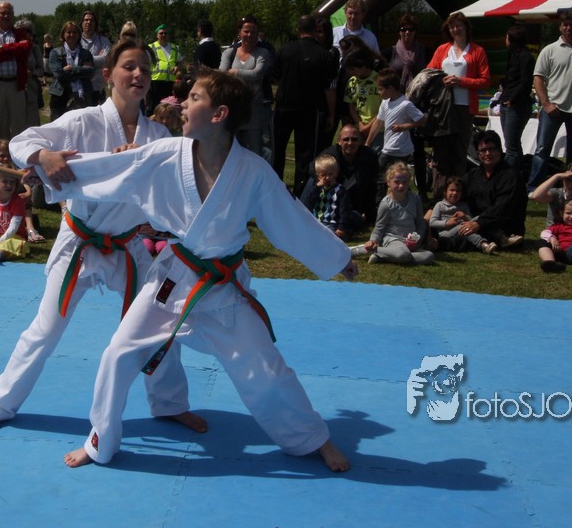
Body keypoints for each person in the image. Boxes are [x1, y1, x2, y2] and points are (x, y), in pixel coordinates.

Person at [43, 69, 358, 471]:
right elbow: (115, 169)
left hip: (222, 288)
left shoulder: (253, 171)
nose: (183, 105)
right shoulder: (167, 153)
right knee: (118, 353)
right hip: (172, 279)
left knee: (266, 371)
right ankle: (100, 441)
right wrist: (51, 168)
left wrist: (336, 257)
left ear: (218, 114)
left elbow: (291, 220)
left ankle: (313, 438)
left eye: (193, 98)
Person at [0, 37, 192, 436]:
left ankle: (170, 402)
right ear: (107, 75)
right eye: (129, 66)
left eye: (144, 68)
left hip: (127, 246)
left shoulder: (158, 135)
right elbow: (23, 142)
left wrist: (136, 163)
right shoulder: (81, 122)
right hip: (80, 243)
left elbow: (173, 186)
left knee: (159, 323)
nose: (138, 74)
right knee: (46, 329)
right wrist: (43, 157)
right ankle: (0, 401)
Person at [526, 11, 572, 191]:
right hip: (553, 109)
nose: (568, 28)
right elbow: (538, 78)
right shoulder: (550, 50)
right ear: (560, 27)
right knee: (542, 149)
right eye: (565, 24)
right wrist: (546, 104)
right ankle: (534, 187)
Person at [425, 11, 489, 198]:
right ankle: (439, 194)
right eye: (452, 26)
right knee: (441, 151)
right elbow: (429, 73)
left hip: (464, 108)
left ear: (466, 28)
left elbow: (485, 80)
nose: (455, 29)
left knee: (459, 152)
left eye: (459, 25)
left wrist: (461, 82)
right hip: (443, 108)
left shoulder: (477, 51)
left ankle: (457, 194)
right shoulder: (442, 50)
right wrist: (442, 80)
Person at [382, 14, 431, 192]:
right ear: (399, 32)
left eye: (411, 29)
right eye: (403, 29)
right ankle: (391, 188)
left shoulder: (425, 52)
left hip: (417, 105)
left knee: (418, 150)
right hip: (396, 105)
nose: (407, 32)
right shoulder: (390, 52)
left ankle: (422, 190)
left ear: (416, 32)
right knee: (394, 149)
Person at [0, 0, 32, 161]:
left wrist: (2, 48)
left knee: (19, 129)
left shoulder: (20, 33)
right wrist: (14, 49)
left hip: (16, 86)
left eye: (9, 13)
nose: (6, 16)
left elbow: (25, 49)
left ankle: (19, 166)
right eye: (3, 13)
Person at [367, 68, 425, 200]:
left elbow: (421, 119)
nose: (379, 92)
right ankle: (387, 201)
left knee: (389, 177)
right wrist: (368, 142)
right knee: (387, 177)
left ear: (391, 88)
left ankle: (391, 201)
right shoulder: (385, 103)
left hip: (399, 149)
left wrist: (405, 126)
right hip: (389, 146)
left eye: (381, 89)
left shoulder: (405, 104)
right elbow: (378, 122)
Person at [462, 131, 526, 249]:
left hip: (504, 229)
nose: (488, 153)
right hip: (475, 223)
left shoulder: (511, 176)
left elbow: (503, 208)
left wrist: (478, 223)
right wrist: (432, 210)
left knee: (460, 237)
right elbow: (455, 191)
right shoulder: (473, 174)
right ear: (478, 153)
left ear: (500, 150)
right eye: (483, 150)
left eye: (492, 149)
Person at [219, 15, 272, 158]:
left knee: (256, 152)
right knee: (231, 152)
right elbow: (222, 75)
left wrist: (234, 72)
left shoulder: (263, 53)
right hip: (233, 110)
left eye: (253, 32)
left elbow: (257, 75)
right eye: (246, 31)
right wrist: (241, 74)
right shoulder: (229, 53)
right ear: (239, 32)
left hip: (254, 110)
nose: (249, 35)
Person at [364, 162, 434, 265]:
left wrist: (417, 240)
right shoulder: (386, 204)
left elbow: (421, 222)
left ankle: (384, 256)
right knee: (403, 254)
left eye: (404, 182)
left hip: (411, 242)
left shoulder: (415, 199)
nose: (401, 185)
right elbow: (379, 227)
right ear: (388, 182)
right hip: (393, 240)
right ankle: (376, 250)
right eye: (396, 182)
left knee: (429, 256)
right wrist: (373, 241)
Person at [318, 123, 380, 227]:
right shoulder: (331, 154)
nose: (350, 143)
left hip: (355, 199)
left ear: (360, 141)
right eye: (346, 139)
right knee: (313, 181)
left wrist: (370, 214)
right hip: (331, 198)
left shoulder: (369, 156)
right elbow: (313, 168)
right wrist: (326, 179)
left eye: (354, 139)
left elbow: (373, 186)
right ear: (339, 141)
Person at [300, 153, 360, 241]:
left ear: (336, 173)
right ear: (318, 175)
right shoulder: (316, 188)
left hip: (331, 222)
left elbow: (344, 210)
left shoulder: (340, 190)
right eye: (323, 175)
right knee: (307, 236)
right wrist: (317, 188)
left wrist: (341, 227)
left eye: (330, 174)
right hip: (316, 220)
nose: (327, 177)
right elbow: (309, 202)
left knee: (327, 238)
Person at [499, 24, 535, 169]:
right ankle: (518, 174)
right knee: (512, 143)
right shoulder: (512, 55)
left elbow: (525, 82)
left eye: (507, 38)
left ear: (512, 40)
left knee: (511, 147)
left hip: (517, 105)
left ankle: (508, 175)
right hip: (506, 102)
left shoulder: (526, 57)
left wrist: (512, 99)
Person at [429, 178, 495, 254]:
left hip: (462, 230)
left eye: (458, 191)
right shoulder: (440, 205)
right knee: (462, 227)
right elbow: (432, 222)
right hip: (445, 233)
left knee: (480, 218)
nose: (455, 193)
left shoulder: (464, 205)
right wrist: (447, 223)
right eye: (452, 190)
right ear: (445, 192)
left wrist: (465, 217)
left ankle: (494, 238)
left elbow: (471, 221)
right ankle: (483, 244)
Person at [48, 21, 95, 120]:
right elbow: (59, 74)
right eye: (68, 32)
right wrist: (81, 70)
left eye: (74, 32)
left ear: (79, 35)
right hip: (60, 97)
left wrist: (71, 68)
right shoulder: (55, 53)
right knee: (59, 128)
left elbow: (90, 72)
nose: (72, 35)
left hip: (83, 97)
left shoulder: (86, 53)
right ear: (63, 35)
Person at [342, 48, 380, 144]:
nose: (350, 72)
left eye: (353, 69)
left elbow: (385, 107)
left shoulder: (379, 80)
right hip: (360, 128)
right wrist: (360, 124)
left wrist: (368, 126)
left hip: (379, 128)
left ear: (363, 65)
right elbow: (351, 106)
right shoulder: (352, 82)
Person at [147, 24, 182, 114]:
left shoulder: (175, 48)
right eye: (161, 33)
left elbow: (180, 60)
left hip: (170, 82)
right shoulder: (151, 47)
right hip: (156, 81)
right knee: (154, 106)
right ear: (157, 35)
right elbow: (145, 62)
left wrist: (178, 67)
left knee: (168, 107)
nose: (163, 35)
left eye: (165, 33)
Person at [79, 11, 111, 106]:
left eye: (91, 20)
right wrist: (97, 59)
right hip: (79, 89)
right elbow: (73, 61)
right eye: (86, 20)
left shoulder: (103, 40)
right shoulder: (76, 40)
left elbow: (106, 60)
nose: (88, 22)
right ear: (82, 23)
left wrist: (85, 60)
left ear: (95, 23)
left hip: (97, 89)